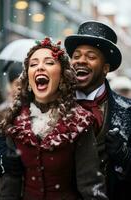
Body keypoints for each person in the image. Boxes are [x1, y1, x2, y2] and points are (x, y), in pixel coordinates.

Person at [0, 37, 108, 200]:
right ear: (28, 78)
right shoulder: (15, 120)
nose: (40, 67)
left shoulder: (81, 122)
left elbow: (91, 187)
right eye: (33, 64)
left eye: (49, 62)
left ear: (63, 75)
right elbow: (10, 188)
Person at [64, 20, 131, 200]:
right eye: (76, 56)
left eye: (91, 56)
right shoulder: (49, 104)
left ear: (105, 68)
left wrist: (124, 155)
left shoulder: (128, 111)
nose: (80, 61)